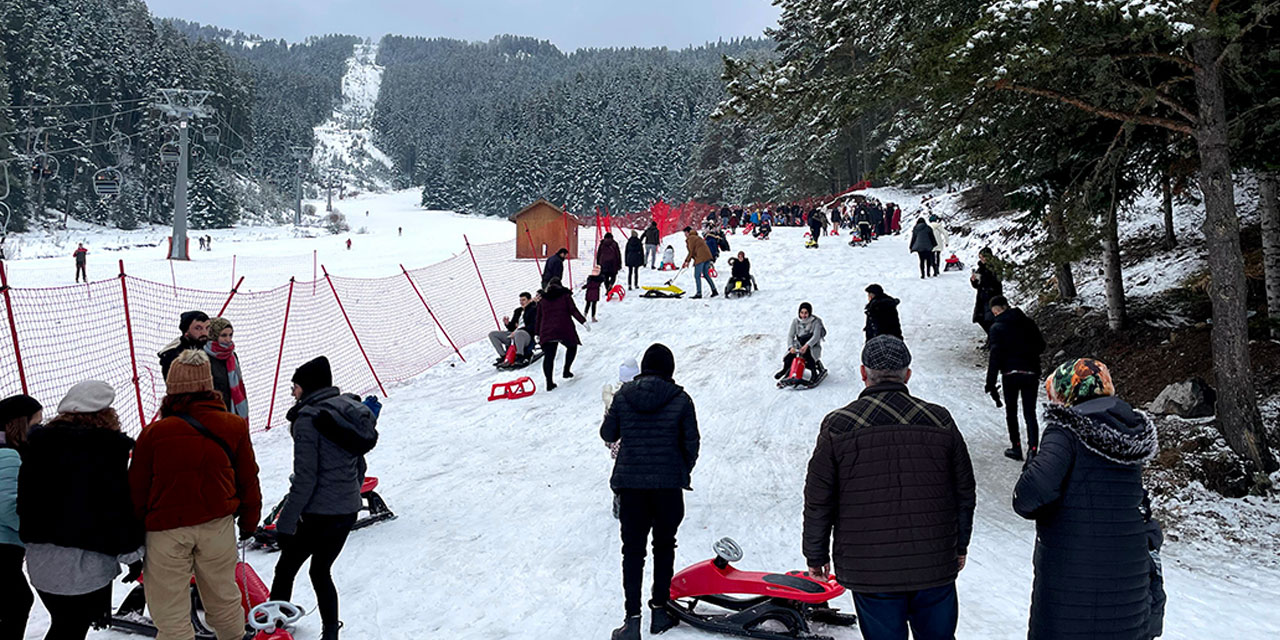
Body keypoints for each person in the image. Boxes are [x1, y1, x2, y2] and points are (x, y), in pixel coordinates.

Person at [804, 336, 975, 640]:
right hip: (933, 561)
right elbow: (964, 492)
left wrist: (816, 555)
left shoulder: (838, 425)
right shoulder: (940, 420)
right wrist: (960, 545)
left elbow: (819, 499)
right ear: (907, 374)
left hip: (869, 567)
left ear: (863, 372)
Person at [1014, 358, 1159, 640]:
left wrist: (1031, 465)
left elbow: (1029, 497)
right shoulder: (1127, 429)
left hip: (1073, 585)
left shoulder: (1065, 430)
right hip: (1129, 581)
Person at [129, 351, 263, 640]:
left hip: (165, 531)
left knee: (171, 613)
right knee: (224, 598)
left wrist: (134, 535)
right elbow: (248, 478)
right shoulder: (233, 425)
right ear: (208, 385)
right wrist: (249, 521)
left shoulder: (152, 434)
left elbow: (137, 490)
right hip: (217, 526)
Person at [19, 381, 144, 640]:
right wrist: (132, 556)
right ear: (105, 414)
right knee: (71, 628)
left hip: (41, 562)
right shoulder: (107, 451)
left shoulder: (37, 447)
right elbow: (114, 511)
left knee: (64, 623)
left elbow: (26, 503)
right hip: (84, 567)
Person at [271, 356, 378, 640]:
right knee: (320, 571)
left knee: (286, 568)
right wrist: (349, 493)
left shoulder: (309, 420)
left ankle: (273, 627)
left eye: (295, 387)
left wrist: (286, 523)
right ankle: (330, 633)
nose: (293, 393)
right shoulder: (346, 410)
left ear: (308, 387)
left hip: (318, 513)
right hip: (347, 510)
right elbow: (360, 465)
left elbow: (305, 479)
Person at [601, 344, 699, 640]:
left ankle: (631, 621)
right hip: (668, 488)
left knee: (633, 552)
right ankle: (659, 611)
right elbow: (691, 443)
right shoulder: (681, 399)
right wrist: (680, 470)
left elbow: (608, 434)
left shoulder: (623, 396)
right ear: (670, 368)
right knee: (664, 546)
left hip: (631, 487)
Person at [1, 395, 42, 640]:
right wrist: (33, 531)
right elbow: (7, 507)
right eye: (35, 423)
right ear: (19, 423)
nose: (39, 429)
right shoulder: (7, 454)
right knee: (18, 601)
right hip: (3, 546)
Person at [986, 296, 1047, 460]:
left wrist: (990, 382)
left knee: (1011, 411)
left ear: (996, 310)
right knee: (1030, 412)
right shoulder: (1028, 323)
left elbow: (995, 356)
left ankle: (1016, 447)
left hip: (1010, 374)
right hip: (1030, 373)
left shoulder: (996, 328)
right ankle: (1033, 450)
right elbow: (1041, 346)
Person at [602, 358, 641, 520]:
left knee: (622, 475)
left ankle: (620, 501)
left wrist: (610, 443)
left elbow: (608, 426)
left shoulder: (614, 398)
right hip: (638, 444)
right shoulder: (643, 395)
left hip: (621, 445)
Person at [536, 278, 588, 391]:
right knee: (572, 347)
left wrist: (537, 333)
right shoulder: (565, 296)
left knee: (549, 357)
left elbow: (538, 318)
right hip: (564, 328)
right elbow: (573, 310)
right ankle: (566, 370)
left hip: (547, 331)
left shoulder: (543, 300)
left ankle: (549, 383)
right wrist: (583, 321)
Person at [204, 317, 249, 420]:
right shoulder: (204, 357)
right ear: (213, 335)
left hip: (231, 407)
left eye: (230, 335)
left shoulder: (232, 356)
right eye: (223, 335)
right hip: (213, 410)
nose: (228, 340)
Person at [774, 302, 827, 379]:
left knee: (808, 355)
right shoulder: (796, 321)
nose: (803, 315)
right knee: (789, 356)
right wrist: (790, 347)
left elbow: (816, 336)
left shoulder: (816, 322)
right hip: (799, 343)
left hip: (811, 345)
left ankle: (814, 372)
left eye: (806, 313)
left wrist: (807, 346)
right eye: (802, 313)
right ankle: (785, 369)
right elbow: (790, 335)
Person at [488, 291, 538, 363]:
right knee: (493, 334)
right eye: (520, 300)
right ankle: (504, 355)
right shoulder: (518, 311)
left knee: (518, 333)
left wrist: (519, 330)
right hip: (514, 335)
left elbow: (533, 326)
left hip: (526, 335)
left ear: (529, 300)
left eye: (523, 300)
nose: (521, 302)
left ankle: (520, 356)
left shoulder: (533, 310)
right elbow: (512, 327)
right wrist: (507, 323)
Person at [158, 310, 209, 379]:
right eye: (198, 328)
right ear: (186, 331)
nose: (204, 333)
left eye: (207, 328)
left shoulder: (212, 345)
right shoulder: (173, 354)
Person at [971, 248, 1004, 338]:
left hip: (992, 296)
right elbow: (977, 285)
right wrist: (974, 280)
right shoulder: (980, 267)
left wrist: (983, 280)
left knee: (990, 319)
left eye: (983, 257)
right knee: (980, 318)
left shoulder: (995, 266)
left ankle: (993, 337)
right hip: (982, 297)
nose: (981, 259)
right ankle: (991, 336)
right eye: (980, 257)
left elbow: (995, 280)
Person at [681, 227, 717, 299]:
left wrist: (686, 261)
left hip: (701, 258)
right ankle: (714, 290)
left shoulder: (691, 238)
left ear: (688, 232)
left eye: (685, 233)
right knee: (706, 274)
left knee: (697, 275)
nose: (684, 235)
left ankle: (699, 293)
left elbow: (691, 251)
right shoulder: (697, 237)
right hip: (707, 257)